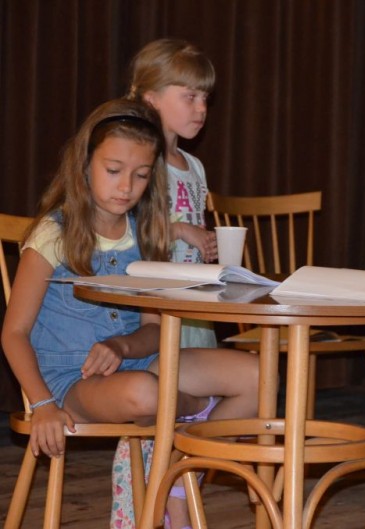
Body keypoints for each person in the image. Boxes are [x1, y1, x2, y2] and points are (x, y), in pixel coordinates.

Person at [0, 99, 259, 529]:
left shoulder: (146, 233)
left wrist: (121, 345)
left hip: (142, 363)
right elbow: (14, 332)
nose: (126, 187)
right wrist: (42, 403)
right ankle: (192, 420)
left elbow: (154, 330)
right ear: (85, 165)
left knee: (256, 375)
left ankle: (178, 472)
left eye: (141, 175)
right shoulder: (54, 233)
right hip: (71, 382)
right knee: (145, 393)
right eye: (114, 170)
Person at [127, 37, 218, 349]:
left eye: (205, 97)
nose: (202, 108)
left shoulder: (195, 166)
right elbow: (126, 232)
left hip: (193, 296)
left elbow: (194, 224)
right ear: (152, 98)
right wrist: (180, 230)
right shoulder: (139, 164)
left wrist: (206, 243)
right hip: (156, 300)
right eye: (190, 96)